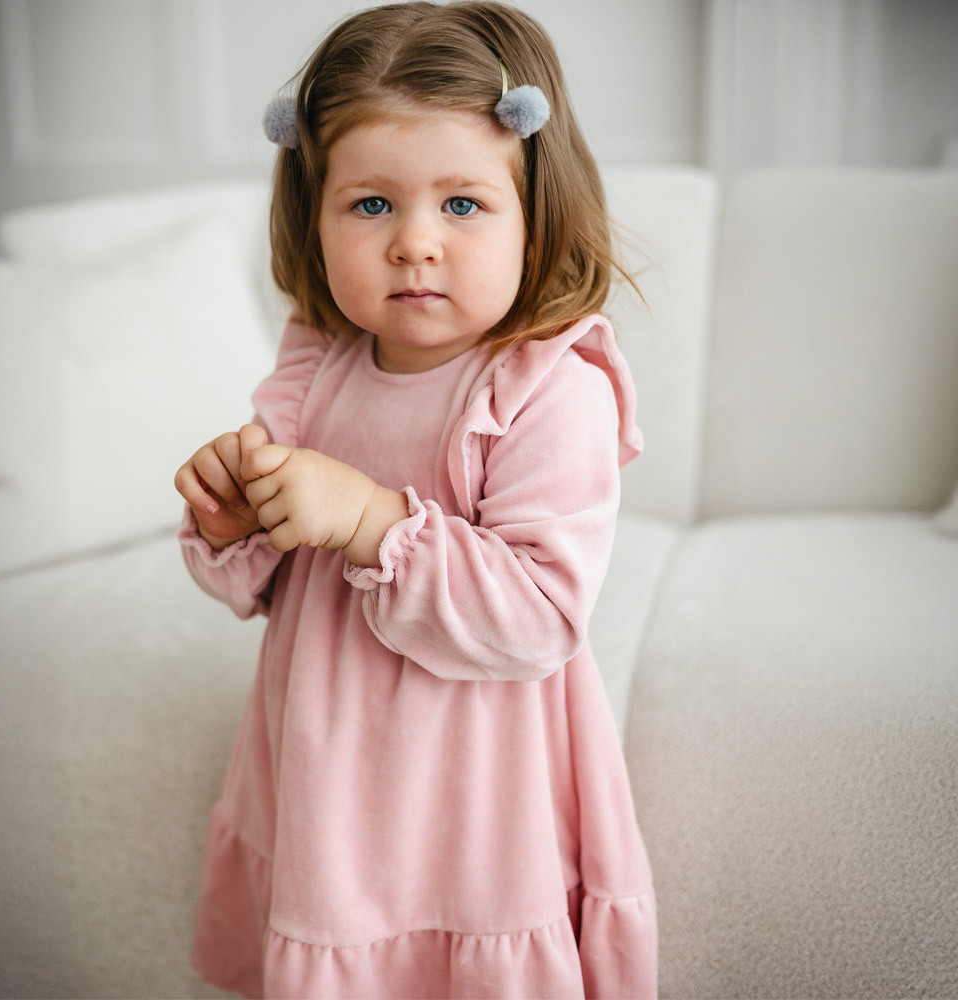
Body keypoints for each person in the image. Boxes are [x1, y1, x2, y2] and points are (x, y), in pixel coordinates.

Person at [174, 2, 656, 996]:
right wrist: (234, 525)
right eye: (370, 205)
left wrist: (369, 520)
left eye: (463, 204)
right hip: (326, 773)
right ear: (311, 215)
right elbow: (253, 586)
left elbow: (539, 614)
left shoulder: (547, 388)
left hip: (473, 794)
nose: (415, 243)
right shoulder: (314, 368)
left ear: (537, 213)